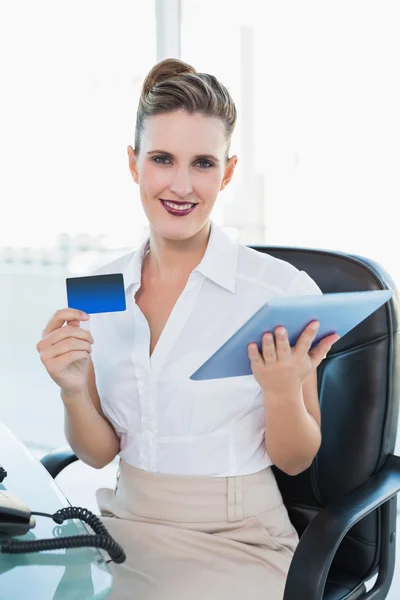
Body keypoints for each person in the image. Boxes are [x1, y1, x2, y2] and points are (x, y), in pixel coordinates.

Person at [36, 58, 340, 600]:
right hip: (123, 527)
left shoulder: (280, 292)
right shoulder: (97, 286)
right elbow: (100, 453)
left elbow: (295, 459)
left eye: (202, 163)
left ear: (227, 171)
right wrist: (74, 390)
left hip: (237, 538)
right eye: (161, 159)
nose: (181, 184)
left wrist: (279, 392)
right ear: (134, 164)